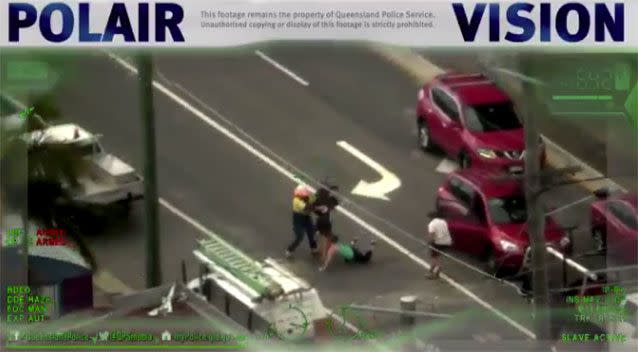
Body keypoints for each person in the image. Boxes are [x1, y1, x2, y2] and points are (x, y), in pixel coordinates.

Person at [286, 185, 318, 258]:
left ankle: (313, 249)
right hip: (298, 219)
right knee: (300, 236)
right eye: (304, 195)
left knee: (311, 233)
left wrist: (317, 196)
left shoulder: (306, 197)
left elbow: (313, 198)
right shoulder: (296, 201)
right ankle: (289, 250)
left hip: (306, 217)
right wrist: (316, 207)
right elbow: (307, 207)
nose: (305, 196)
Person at [313, 183, 339, 261]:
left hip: (321, 220)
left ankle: (321, 252)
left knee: (321, 236)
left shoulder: (318, 199)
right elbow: (334, 206)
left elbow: (313, 208)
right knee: (323, 236)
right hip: (325, 220)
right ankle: (323, 252)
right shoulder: (330, 200)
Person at [426, 210, 452, 279]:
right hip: (447, 241)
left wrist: (429, 243)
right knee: (437, 255)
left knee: (434, 257)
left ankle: (436, 269)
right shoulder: (443, 222)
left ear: (431, 218)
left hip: (438, 242)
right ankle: (431, 269)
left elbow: (431, 235)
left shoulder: (431, 224)